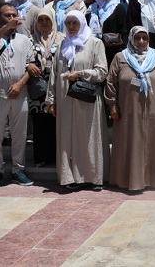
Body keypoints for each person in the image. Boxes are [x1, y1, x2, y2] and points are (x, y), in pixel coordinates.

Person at [104, 26, 155, 190]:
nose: (141, 42)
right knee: (130, 142)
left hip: (153, 111)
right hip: (128, 111)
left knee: (152, 142)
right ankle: (129, 180)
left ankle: (154, 179)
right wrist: (112, 105)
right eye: (137, 38)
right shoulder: (120, 57)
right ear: (131, 39)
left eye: (145, 38)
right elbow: (110, 83)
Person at [47, 11, 109, 190]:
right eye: (68, 23)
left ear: (82, 23)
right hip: (65, 100)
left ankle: (93, 177)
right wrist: (51, 100)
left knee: (89, 137)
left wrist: (81, 74)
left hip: (86, 100)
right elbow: (54, 74)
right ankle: (70, 178)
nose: (72, 27)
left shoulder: (95, 43)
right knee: (67, 139)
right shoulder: (61, 45)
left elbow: (102, 71)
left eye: (75, 23)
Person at [0, 4, 36, 188]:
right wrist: (5, 28)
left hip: (20, 92)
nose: (12, 17)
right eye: (7, 15)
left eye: (14, 15)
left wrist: (20, 84)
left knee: (19, 133)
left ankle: (18, 169)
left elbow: (31, 65)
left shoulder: (24, 39)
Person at [29, 7, 63, 167]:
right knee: (40, 123)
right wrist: (29, 65)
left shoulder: (62, 39)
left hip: (57, 86)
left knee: (57, 122)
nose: (44, 23)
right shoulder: (30, 40)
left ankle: (57, 157)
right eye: (40, 20)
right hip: (37, 88)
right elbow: (25, 58)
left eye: (47, 20)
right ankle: (41, 157)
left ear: (53, 21)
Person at [88, 0, 129, 65]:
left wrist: (121, 53)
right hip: (93, 50)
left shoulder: (118, 7)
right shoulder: (91, 9)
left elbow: (124, 31)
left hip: (113, 51)